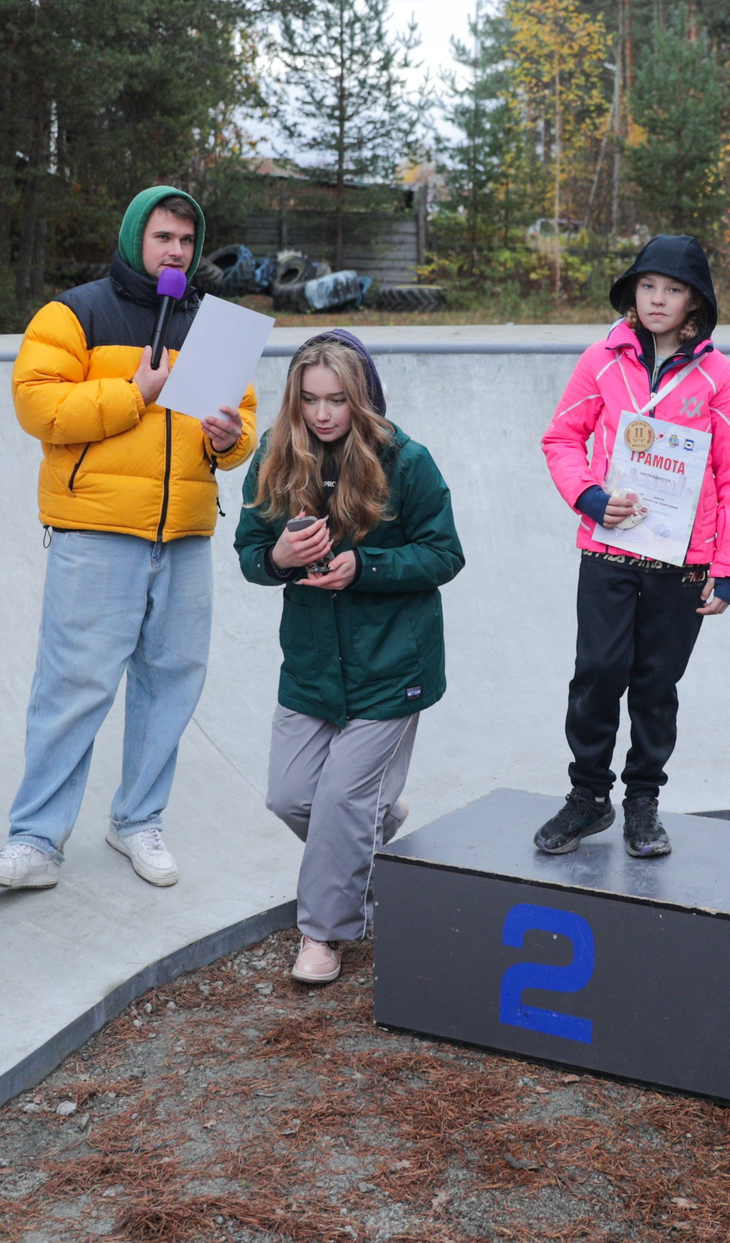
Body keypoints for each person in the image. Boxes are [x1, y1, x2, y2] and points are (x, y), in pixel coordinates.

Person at [0, 187, 256, 894]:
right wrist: (136, 391)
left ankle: (138, 819)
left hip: (185, 531)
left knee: (170, 683)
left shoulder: (212, 324)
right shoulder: (75, 312)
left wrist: (231, 438)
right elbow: (38, 405)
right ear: (135, 239)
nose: (177, 252)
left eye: (187, 241)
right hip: (97, 529)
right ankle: (35, 838)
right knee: (74, 685)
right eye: (164, 237)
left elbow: (241, 420)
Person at [236, 331, 464, 984]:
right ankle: (377, 824)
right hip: (311, 666)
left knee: (339, 801)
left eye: (337, 398)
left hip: (393, 665)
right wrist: (278, 557)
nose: (323, 413)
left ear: (361, 397)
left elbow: (444, 553)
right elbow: (250, 551)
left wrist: (362, 565)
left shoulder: (406, 459)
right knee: (290, 796)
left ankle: (324, 934)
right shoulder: (276, 457)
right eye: (310, 399)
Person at [533, 235, 730, 860]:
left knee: (656, 685)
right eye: (648, 286)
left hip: (683, 563)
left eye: (674, 289)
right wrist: (591, 498)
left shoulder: (717, 374)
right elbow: (560, 439)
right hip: (609, 551)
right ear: (632, 292)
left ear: (695, 302)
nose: (658, 299)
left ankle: (642, 803)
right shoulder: (602, 360)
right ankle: (587, 797)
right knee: (597, 673)